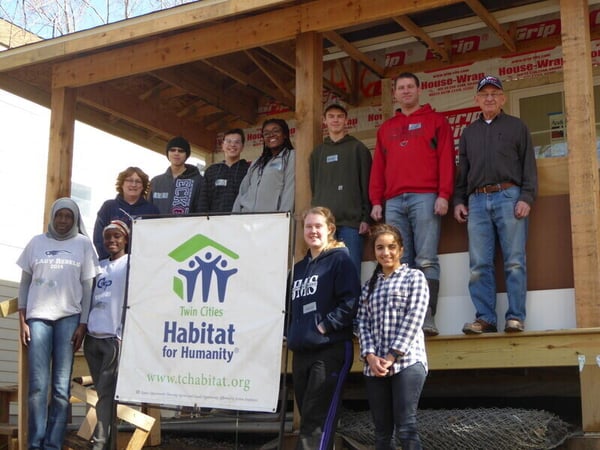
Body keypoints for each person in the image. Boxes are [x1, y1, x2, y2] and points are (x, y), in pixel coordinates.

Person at [369, 72, 455, 337]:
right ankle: (401, 320)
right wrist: (376, 200)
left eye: (410, 87)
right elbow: (378, 168)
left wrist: (444, 194)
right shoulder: (386, 128)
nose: (405, 91)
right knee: (397, 260)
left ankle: (426, 319)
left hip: (426, 197)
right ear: (395, 93)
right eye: (401, 88)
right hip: (393, 201)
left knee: (426, 259)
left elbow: (446, 160)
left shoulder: (436, 121)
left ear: (419, 90)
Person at [454, 75, 537, 335]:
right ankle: (485, 319)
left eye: (494, 93)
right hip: (476, 201)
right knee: (479, 264)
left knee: (514, 262)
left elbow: (529, 166)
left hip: (509, 196)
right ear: (477, 100)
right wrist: (458, 200)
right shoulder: (469, 133)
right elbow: (463, 171)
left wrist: (526, 197)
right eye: (484, 94)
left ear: (503, 98)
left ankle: (515, 317)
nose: (489, 98)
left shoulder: (517, 127)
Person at [17, 197, 100, 450]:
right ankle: (35, 443)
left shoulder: (84, 245)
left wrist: (83, 324)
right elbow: (24, 284)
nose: (63, 220)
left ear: (75, 219)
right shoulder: (36, 243)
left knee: (61, 388)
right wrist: (22, 319)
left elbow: (88, 288)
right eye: (59, 215)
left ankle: (53, 444)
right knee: (37, 387)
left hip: (69, 319)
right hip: (38, 319)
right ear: (52, 217)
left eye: (69, 216)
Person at [287, 207, 360, 450]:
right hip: (301, 352)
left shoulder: (341, 260)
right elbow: (289, 307)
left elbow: (351, 301)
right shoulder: (297, 270)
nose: (313, 231)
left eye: (318, 226)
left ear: (330, 229)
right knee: (308, 417)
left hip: (329, 350)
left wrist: (324, 326)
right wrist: (291, 333)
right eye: (308, 226)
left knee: (317, 422)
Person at [356, 223, 428, 450]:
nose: (386, 253)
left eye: (391, 247)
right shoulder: (368, 287)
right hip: (374, 367)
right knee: (382, 435)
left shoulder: (414, 278)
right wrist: (370, 356)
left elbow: (415, 317)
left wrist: (392, 355)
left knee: (406, 428)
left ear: (401, 250)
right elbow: (361, 323)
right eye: (380, 248)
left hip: (407, 362)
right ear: (374, 252)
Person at [310, 103, 372, 277]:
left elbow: (366, 184)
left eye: (339, 116)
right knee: (323, 276)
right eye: (331, 116)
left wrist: (366, 217)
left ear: (346, 120)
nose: (335, 120)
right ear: (324, 121)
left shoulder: (358, 148)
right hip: (324, 226)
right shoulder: (317, 153)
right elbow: (315, 187)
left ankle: (350, 306)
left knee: (349, 274)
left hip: (351, 225)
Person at [84, 219, 130, 450]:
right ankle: (108, 445)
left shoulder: (131, 264)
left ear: (125, 239)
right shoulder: (98, 266)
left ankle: (99, 444)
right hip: (92, 339)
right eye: (108, 237)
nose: (112, 240)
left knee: (105, 394)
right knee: (105, 395)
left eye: (117, 236)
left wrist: (123, 334)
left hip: (113, 339)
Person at [93, 166, 159, 259]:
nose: (133, 184)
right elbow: (98, 238)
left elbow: (154, 240)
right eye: (129, 180)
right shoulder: (109, 206)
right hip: (110, 263)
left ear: (143, 186)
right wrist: (110, 259)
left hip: (140, 265)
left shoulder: (152, 210)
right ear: (122, 184)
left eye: (138, 181)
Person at [232, 118, 295, 213]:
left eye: (276, 131)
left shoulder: (291, 156)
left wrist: (284, 217)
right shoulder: (257, 162)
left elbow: (290, 189)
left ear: (285, 134)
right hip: (246, 218)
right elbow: (243, 191)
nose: (271, 135)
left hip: (271, 219)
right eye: (266, 133)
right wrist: (234, 216)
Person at [148, 136, 204, 215]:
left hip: (188, 226)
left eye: (181, 151)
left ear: (186, 155)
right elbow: (148, 209)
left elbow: (201, 212)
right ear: (168, 153)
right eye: (172, 150)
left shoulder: (198, 181)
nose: (176, 153)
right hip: (159, 226)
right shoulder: (156, 181)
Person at [199, 128, 250, 213]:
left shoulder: (249, 170)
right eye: (229, 141)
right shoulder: (211, 171)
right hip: (215, 222)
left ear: (242, 147)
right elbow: (203, 201)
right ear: (222, 145)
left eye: (237, 142)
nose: (232, 145)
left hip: (241, 221)